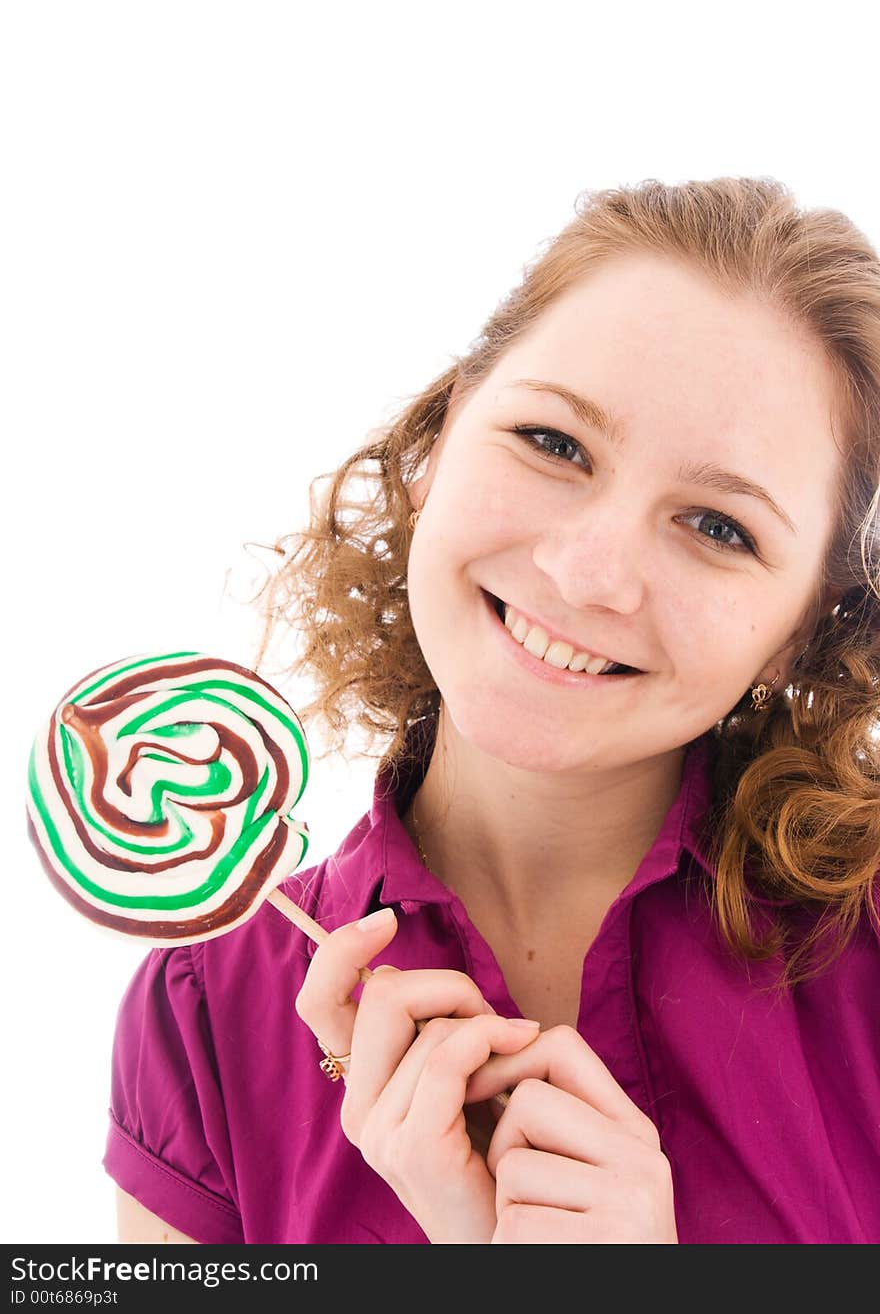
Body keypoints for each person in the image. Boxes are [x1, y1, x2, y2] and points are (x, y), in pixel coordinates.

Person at [106, 177, 880, 1244]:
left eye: (715, 523)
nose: (588, 571)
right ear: (443, 434)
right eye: (555, 444)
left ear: (803, 628)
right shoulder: (204, 1013)